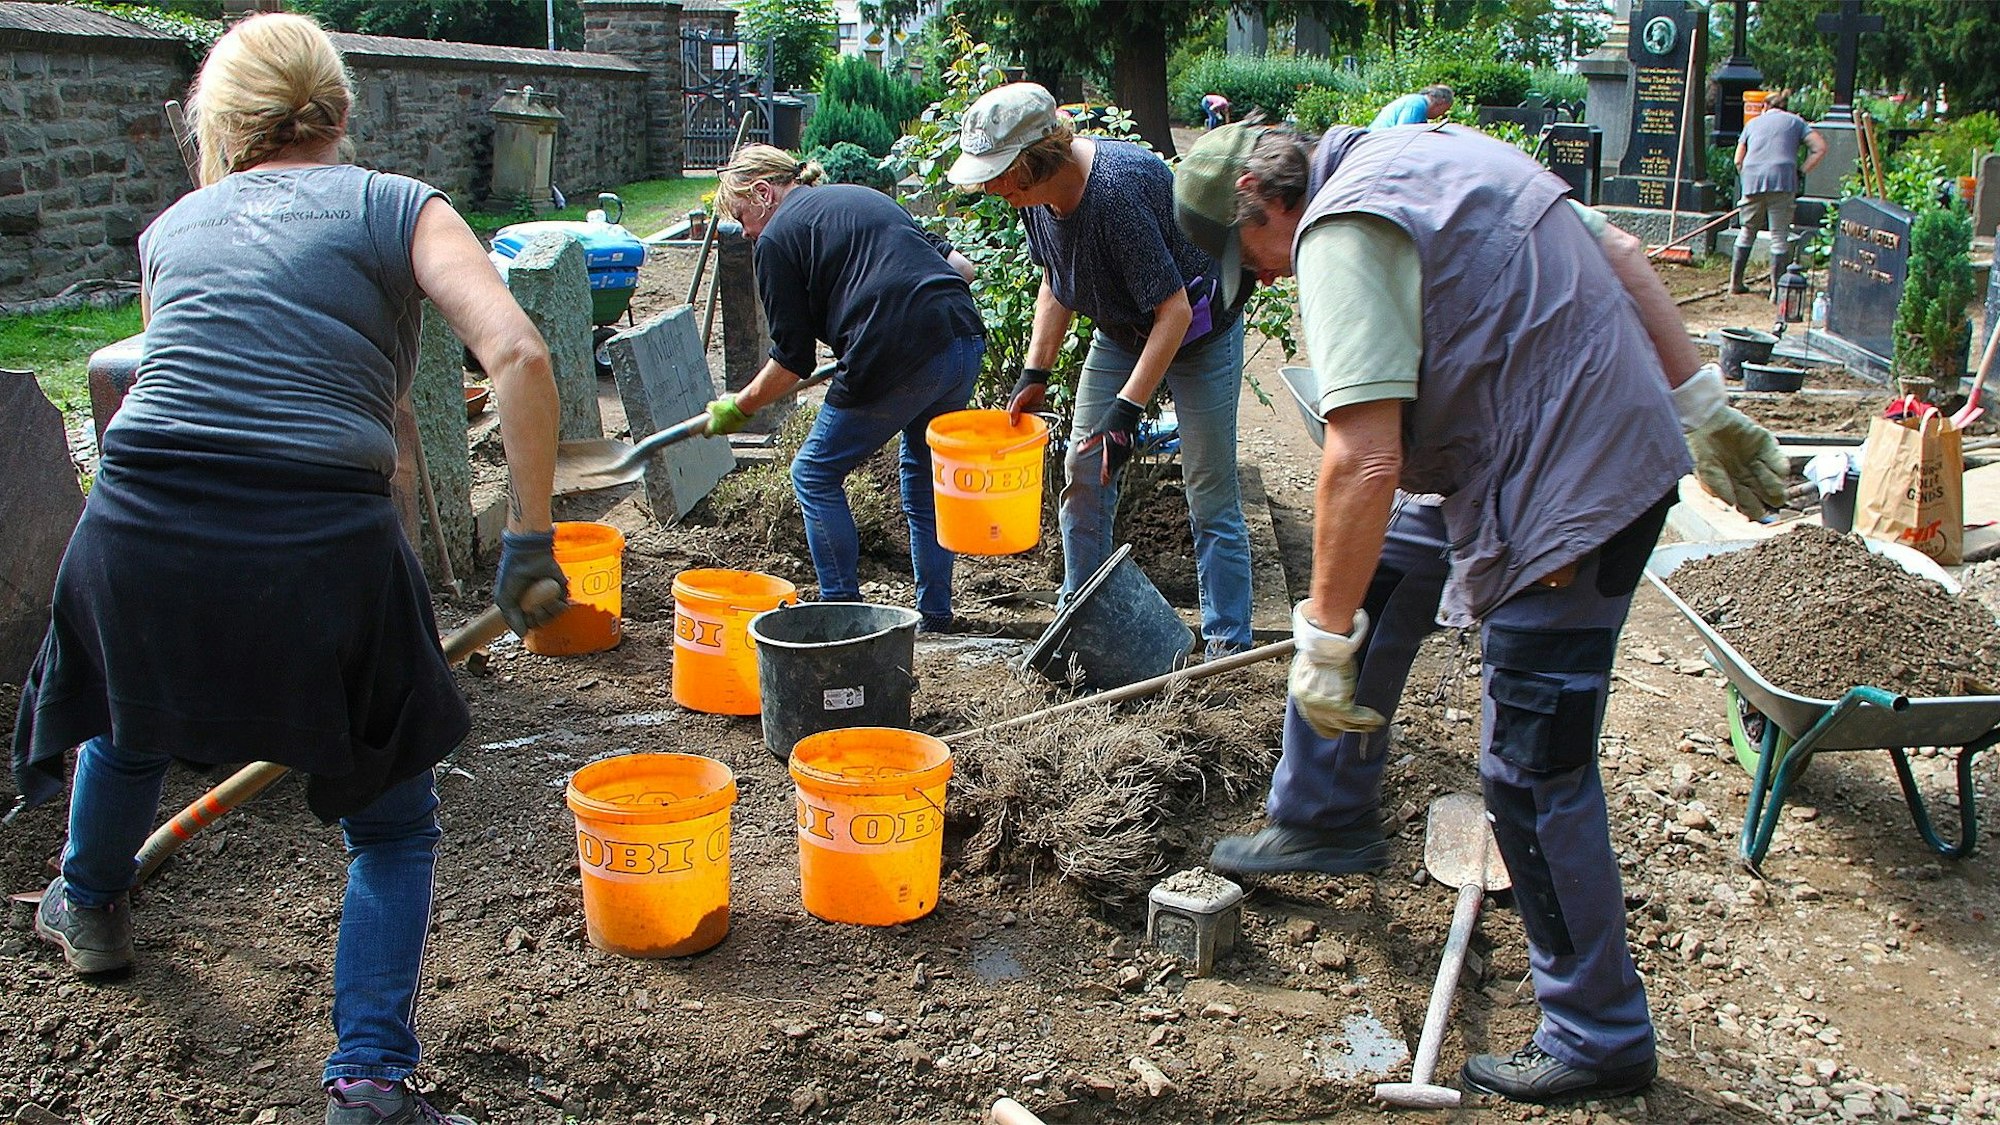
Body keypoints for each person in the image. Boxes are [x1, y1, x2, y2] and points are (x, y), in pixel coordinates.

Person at [8, 14, 566, 1125]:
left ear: (218, 124)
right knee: (392, 826)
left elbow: (191, 386)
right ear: (342, 111)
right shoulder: (398, 205)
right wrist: (528, 540)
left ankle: (89, 903)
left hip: (133, 523)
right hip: (313, 532)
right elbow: (516, 351)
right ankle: (368, 1085)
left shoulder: (172, 226)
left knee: (130, 713)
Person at [1171, 121, 1786, 1104]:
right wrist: (1701, 400)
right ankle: (1323, 815)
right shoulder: (1428, 155)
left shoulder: (1339, 228)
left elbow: (1361, 457)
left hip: (1571, 487)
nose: (1267, 279)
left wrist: (1318, 644)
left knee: (1531, 767)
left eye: (1250, 257)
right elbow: (1622, 252)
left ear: (1264, 198)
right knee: (1379, 577)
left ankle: (1597, 1031)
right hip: (1519, 439)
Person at [948, 82, 1254, 657]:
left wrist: (1127, 412)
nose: (989, 187)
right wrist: (1035, 373)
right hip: (1122, 329)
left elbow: (1174, 313)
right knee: (1084, 469)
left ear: (1033, 160)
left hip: (1198, 334)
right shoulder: (1036, 198)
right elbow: (1055, 280)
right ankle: (1079, 620)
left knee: (1208, 489)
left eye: (997, 173)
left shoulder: (1115, 192)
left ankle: (1227, 645)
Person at [705, 145, 986, 633]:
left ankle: (843, 616)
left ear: (763, 192)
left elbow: (791, 362)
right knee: (923, 476)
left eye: (741, 216)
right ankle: (935, 614)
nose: (745, 231)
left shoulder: (776, 238)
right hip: (961, 338)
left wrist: (740, 405)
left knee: (814, 473)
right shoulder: (863, 196)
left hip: (894, 348)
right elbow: (962, 267)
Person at [1732, 90, 1826, 296]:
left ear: (1765, 106)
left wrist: (1747, 178)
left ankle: (1735, 284)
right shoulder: (1796, 122)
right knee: (1778, 236)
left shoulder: (1752, 124)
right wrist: (1801, 171)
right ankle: (1777, 291)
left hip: (1753, 181)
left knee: (1747, 231)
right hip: (1783, 180)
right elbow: (1819, 148)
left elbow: (1738, 160)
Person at [1369, 84, 1453, 129]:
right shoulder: (1417, 104)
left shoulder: (1417, 101)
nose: (1442, 114)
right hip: (1378, 141)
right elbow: (1404, 133)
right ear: (1441, 102)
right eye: (1444, 110)